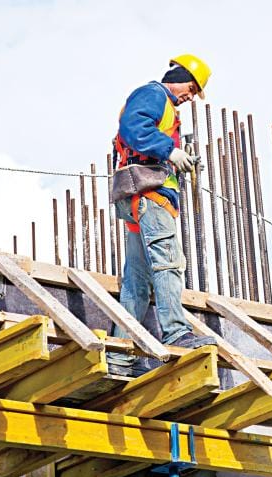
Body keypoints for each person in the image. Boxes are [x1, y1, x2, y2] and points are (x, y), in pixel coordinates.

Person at [107, 54, 216, 377]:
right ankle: (176, 332)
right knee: (168, 263)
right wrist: (170, 151)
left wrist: (177, 158)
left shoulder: (165, 106)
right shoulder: (154, 94)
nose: (191, 97)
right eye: (191, 89)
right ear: (179, 78)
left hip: (139, 197)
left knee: (137, 282)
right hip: (150, 196)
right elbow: (133, 127)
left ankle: (120, 355)